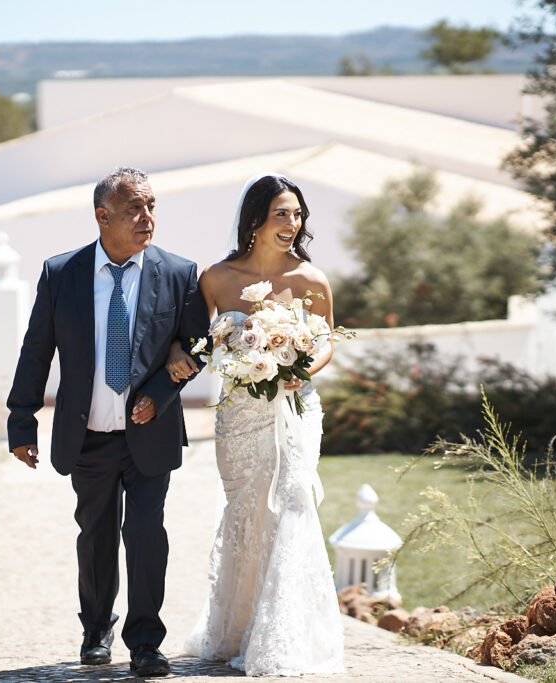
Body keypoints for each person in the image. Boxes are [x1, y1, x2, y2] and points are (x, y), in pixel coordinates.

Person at [6, 167, 209, 677]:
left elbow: (198, 347)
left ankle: (145, 642)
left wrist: (160, 393)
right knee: (95, 534)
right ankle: (96, 630)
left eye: (151, 206)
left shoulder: (179, 273)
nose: (147, 217)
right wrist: (21, 421)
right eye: (134, 209)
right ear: (103, 216)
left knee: (145, 533)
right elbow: (36, 351)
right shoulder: (62, 273)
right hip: (87, 434)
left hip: (151, 434)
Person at [166, 174, 345, 677]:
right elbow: (191, 338)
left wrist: (304, 369)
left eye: (298, 214)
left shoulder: (311, 279)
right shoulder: (217, 277)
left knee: (293, 502)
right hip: (239, 414)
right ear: (255, 220)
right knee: (247, 512)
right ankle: (238, 629)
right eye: (281, 214)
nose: (293, 223)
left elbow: (327, 340)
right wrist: (179, 351)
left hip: (296, 409)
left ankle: (284, 637)